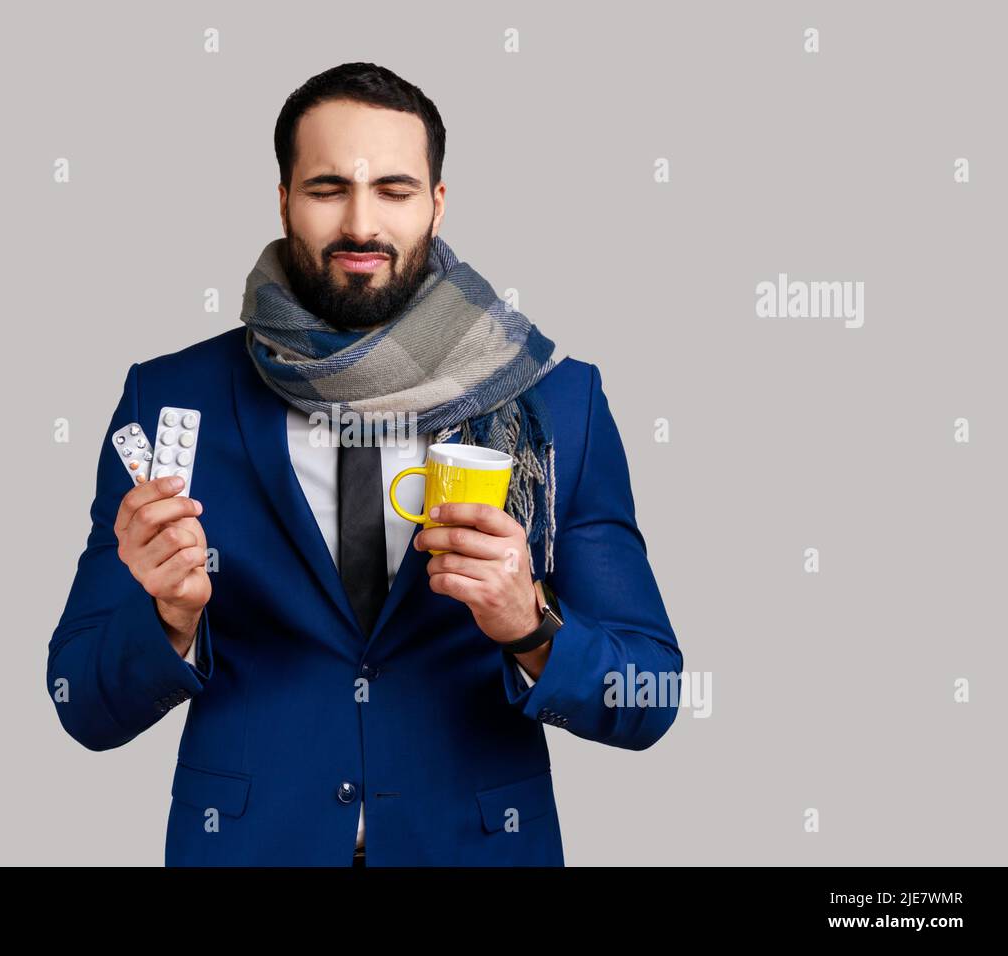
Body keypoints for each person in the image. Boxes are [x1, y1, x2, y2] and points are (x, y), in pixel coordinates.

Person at [47, 62, 683, 867]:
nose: (360, 224)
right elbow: (82, 704)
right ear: (282, 200)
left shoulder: (557, 402)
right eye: (325, 189)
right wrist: (169, 620)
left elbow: (651, 695)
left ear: (436, 203)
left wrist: (530, 627)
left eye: (393, 189)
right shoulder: (173, 397)